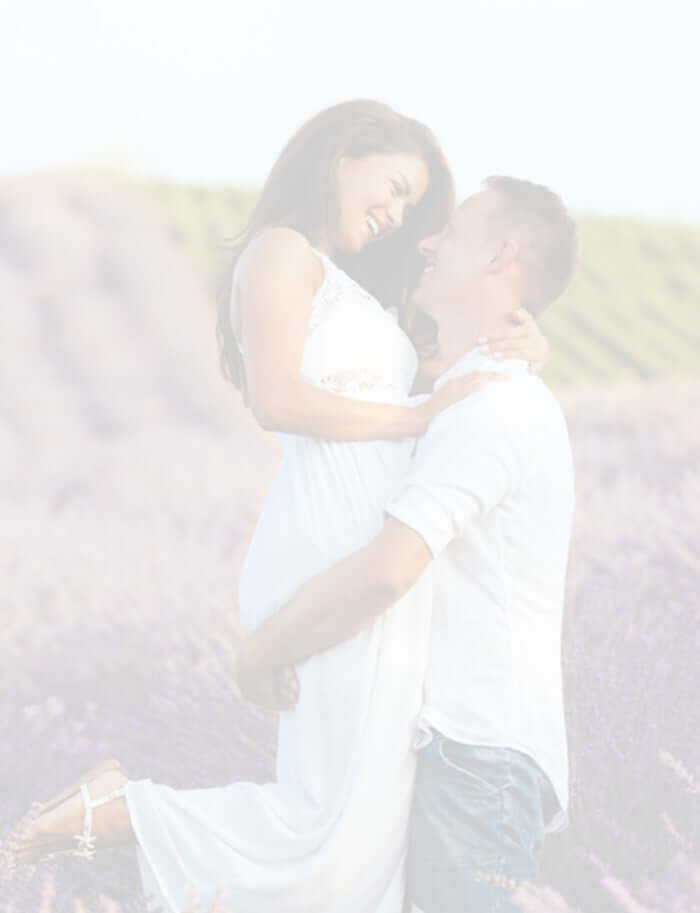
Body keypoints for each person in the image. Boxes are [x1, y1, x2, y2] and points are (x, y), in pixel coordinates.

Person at [14, 102, 548, 913]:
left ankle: (112, 812)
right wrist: (411, 416)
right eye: (395, 187)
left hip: (375, 555)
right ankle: (107, 812)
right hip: (333, 551)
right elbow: (278, 398)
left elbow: (447, 375)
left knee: (360, 839)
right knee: (330, 838)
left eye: (412, 206)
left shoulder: (357, 292)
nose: (397, 214)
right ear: (341, 154)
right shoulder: (281, 251)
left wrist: (526, 339)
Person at [233, 176, 578, 913]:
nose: (426, 240)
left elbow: (388, 572)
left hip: (475, 757)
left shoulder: (495, 405)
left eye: (449, 229)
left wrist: (263, 649)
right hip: (456, 753)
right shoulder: (464, 395)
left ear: (502, 254)